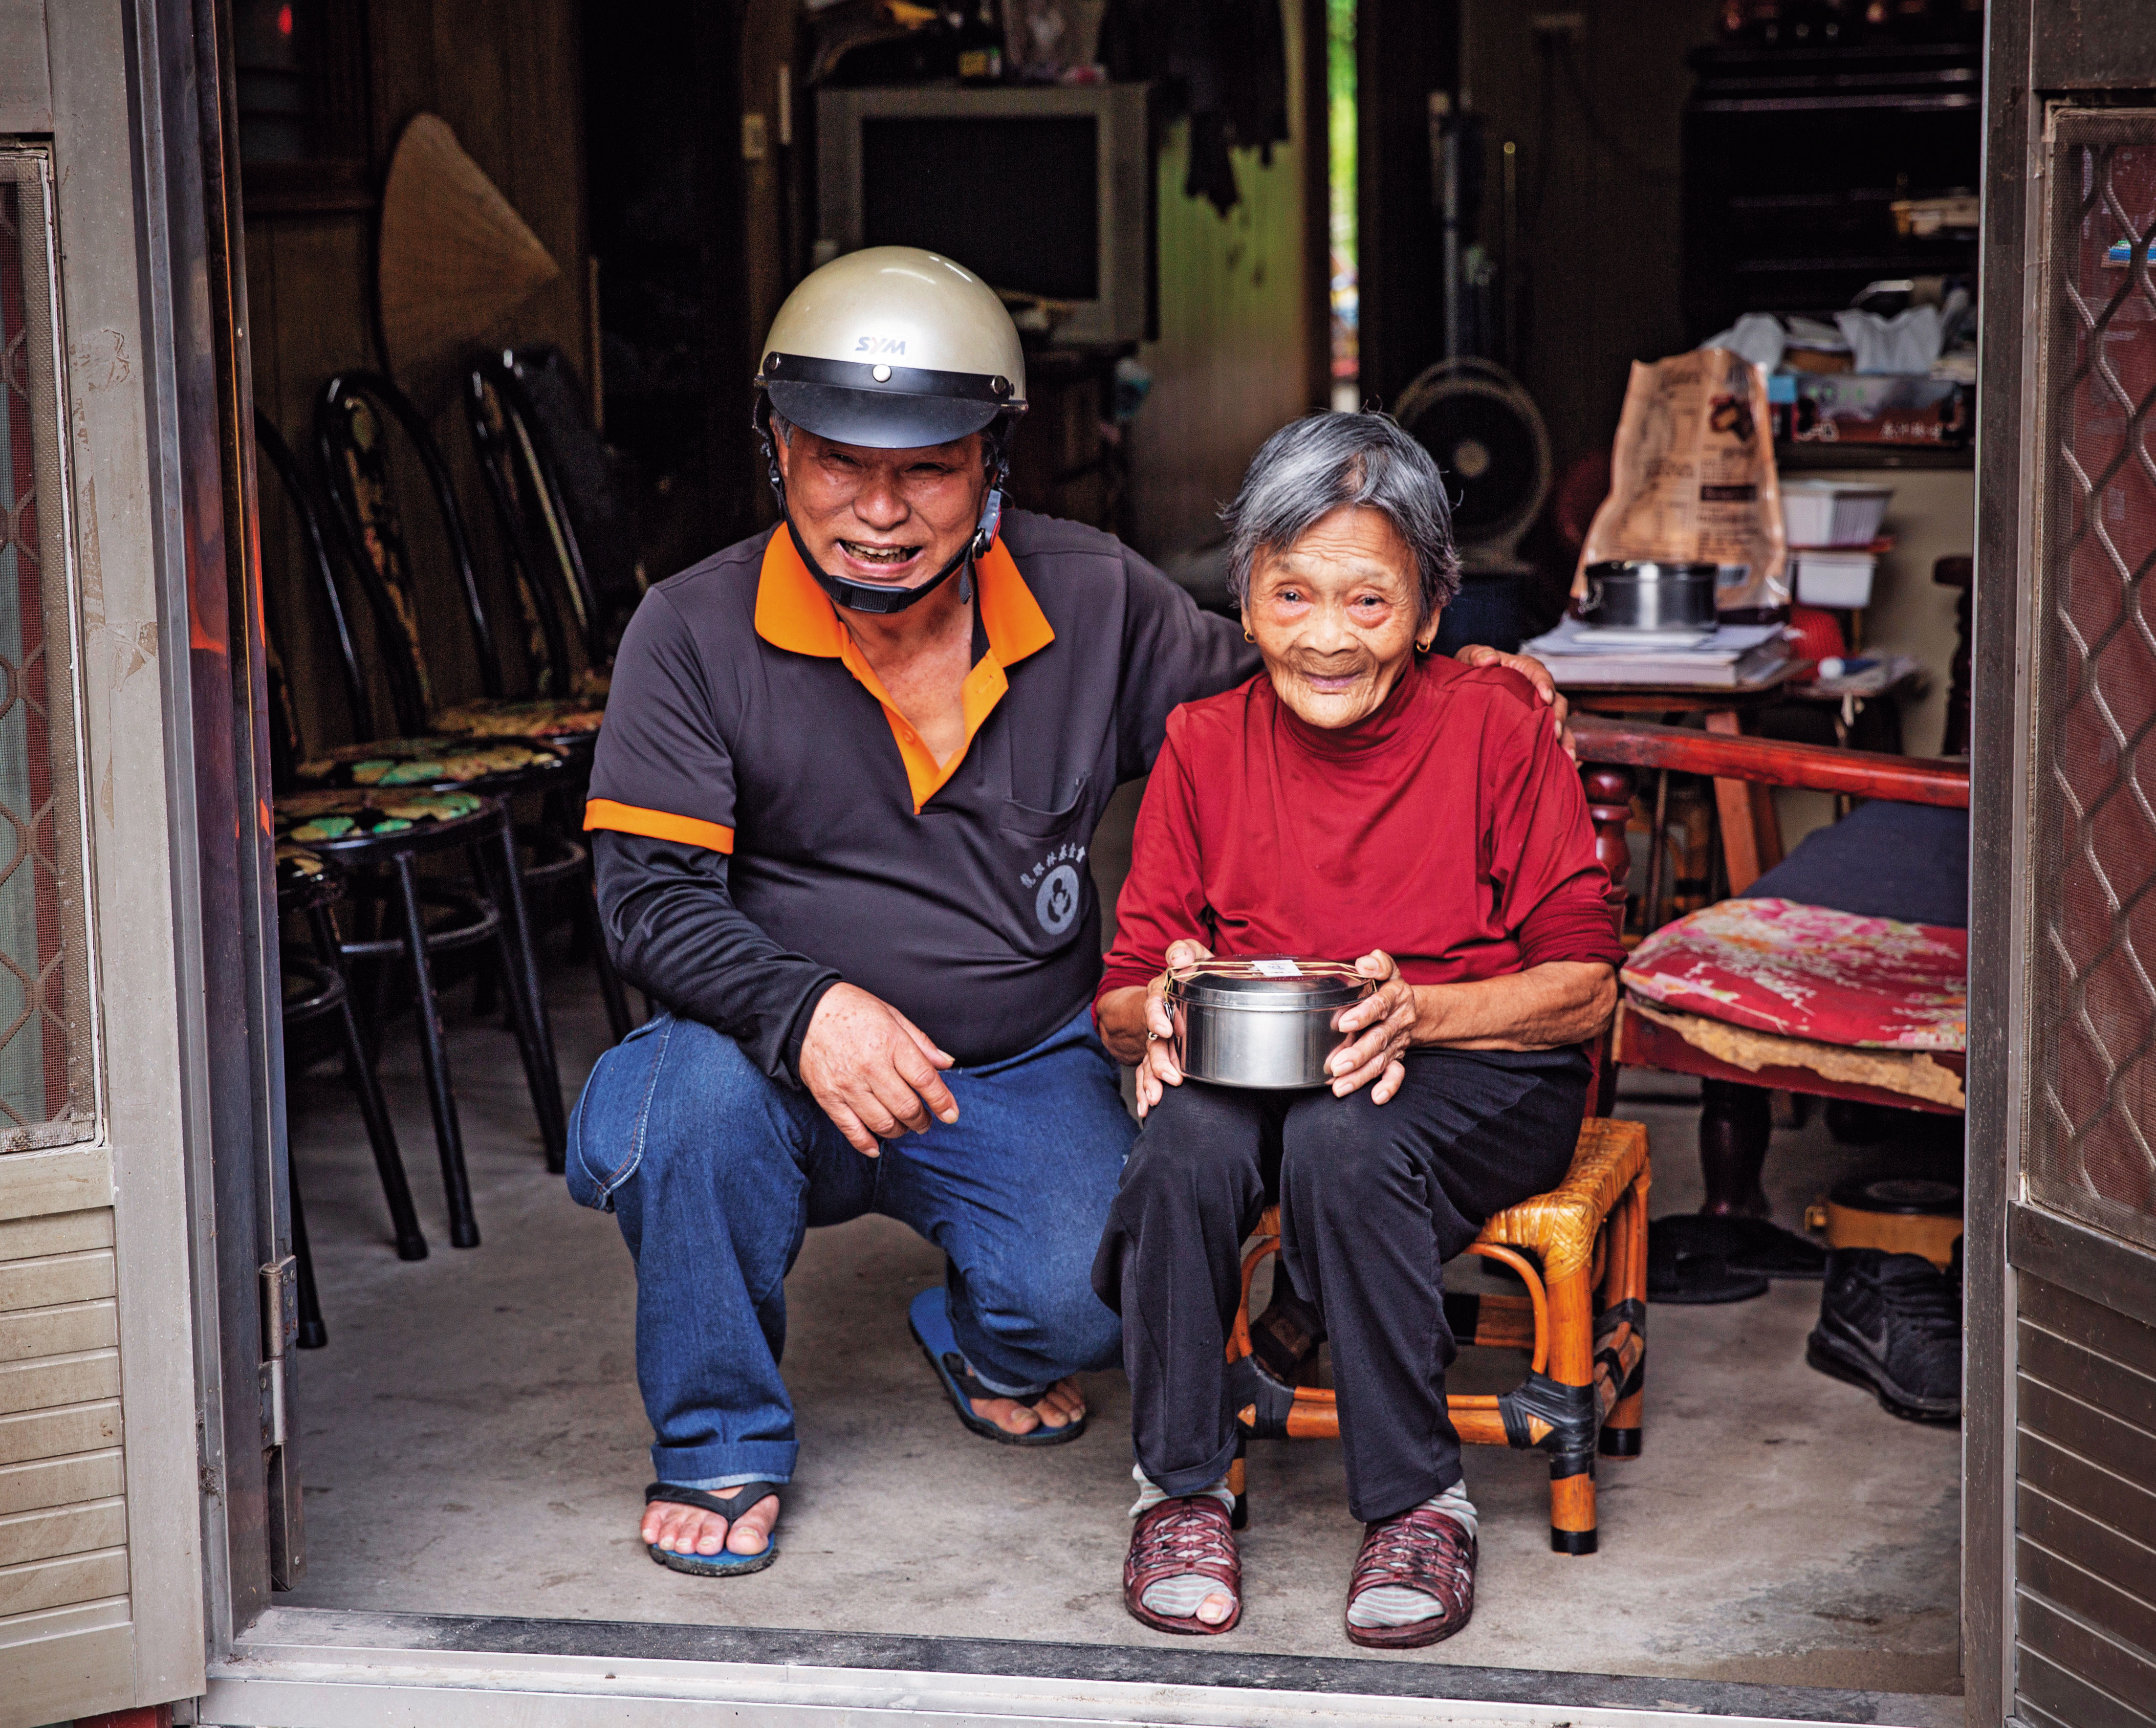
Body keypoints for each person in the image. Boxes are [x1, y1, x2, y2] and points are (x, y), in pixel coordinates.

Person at [567, 248, 1566, 1578]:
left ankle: (979, 1333)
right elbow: (641, 903)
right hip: (769, 1065)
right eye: (833, 462)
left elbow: (1296, 673)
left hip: (1019, 1060)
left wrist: (1455, 669)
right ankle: (718, 1442)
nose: (876, 510)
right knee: (681, 1106)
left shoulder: (1092, 597)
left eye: (925, 466)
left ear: (994, 462)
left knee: (1101, 1294)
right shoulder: (690, 631)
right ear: (774, 450)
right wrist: (803, 1008)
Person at [1090, 412, 1623, 1646]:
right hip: (1263, 1059)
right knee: (1182, 1144)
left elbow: (1584, 986)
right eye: (1291, 594)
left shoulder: (1496, 725)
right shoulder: (1200, 744)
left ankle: (1415, 1504)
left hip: (1480, 1061)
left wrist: (1419, 1011)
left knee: (1342, 1140)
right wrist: (1155, 1018)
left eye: (1368, 602)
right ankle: (1177, 1487)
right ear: (1246, 600)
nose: (1326, 636)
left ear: (1433, 609)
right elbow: (1121, 989)